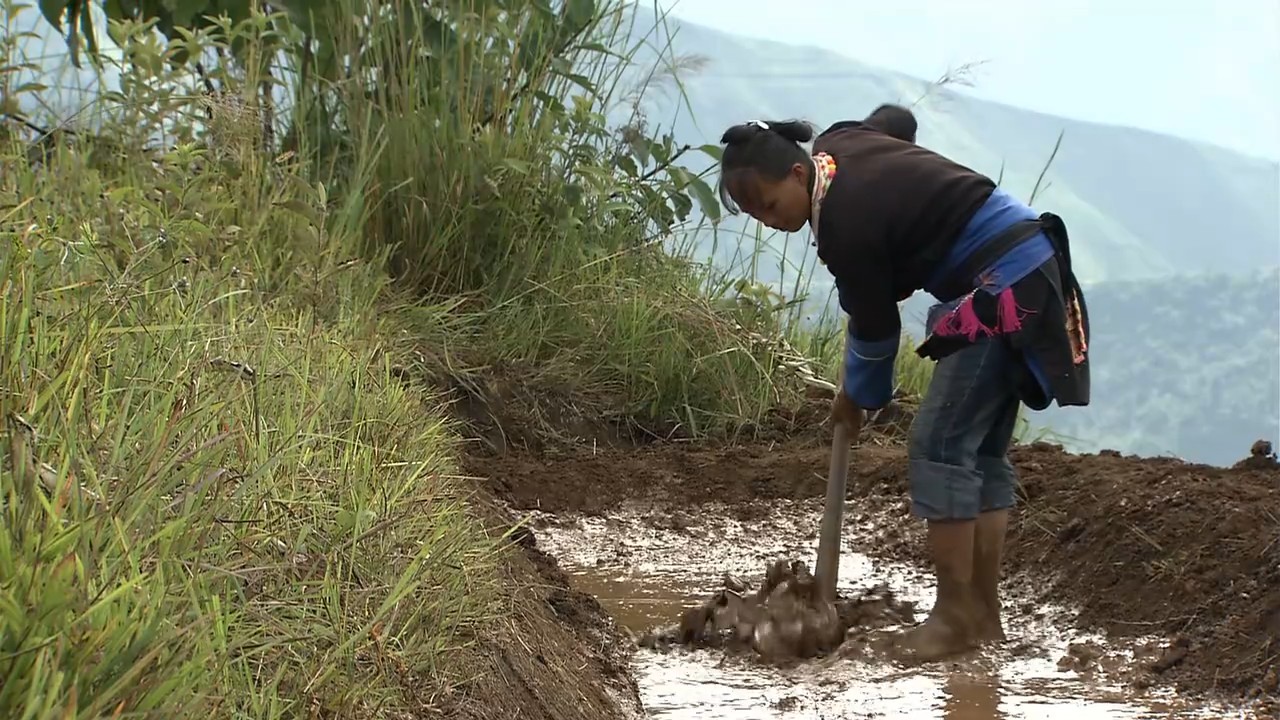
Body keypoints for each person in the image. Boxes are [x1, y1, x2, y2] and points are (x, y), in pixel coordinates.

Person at [714, 104, 1091, 663]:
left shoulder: (845, 226)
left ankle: (953, 618)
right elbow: (895, 123)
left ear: (797, 173)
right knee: (981, 454)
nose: (768, 222)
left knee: (938, 445)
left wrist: (856, 398)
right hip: (1032, 265)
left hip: (1003, 286)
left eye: (769, 205)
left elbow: (876, 331)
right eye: (755, 216)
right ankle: (983, 616)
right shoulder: (839, 143)